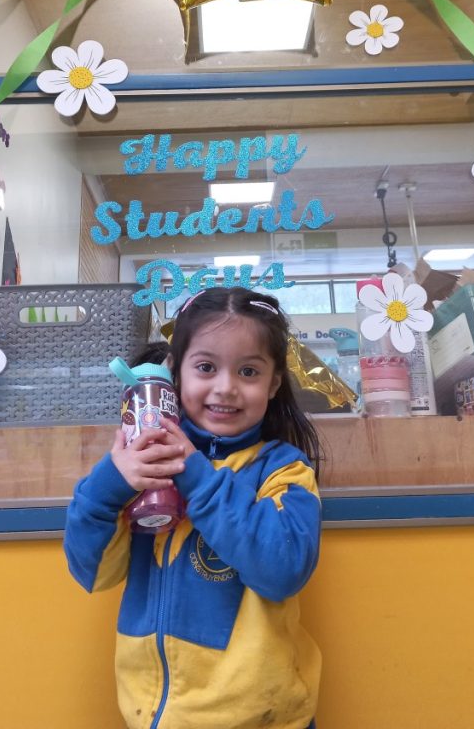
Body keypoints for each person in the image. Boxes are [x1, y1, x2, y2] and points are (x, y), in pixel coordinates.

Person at [64, 286, 323, 729]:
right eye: (206, 367)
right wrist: (109, 486)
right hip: (154, 716)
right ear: (175, 373)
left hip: (260, 718)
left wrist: (196, 475)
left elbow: (282, 571)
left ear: (273, 383)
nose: (226, 388)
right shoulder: (140, 468)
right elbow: (93, 573)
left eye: (248, 371)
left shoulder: (284, 470)